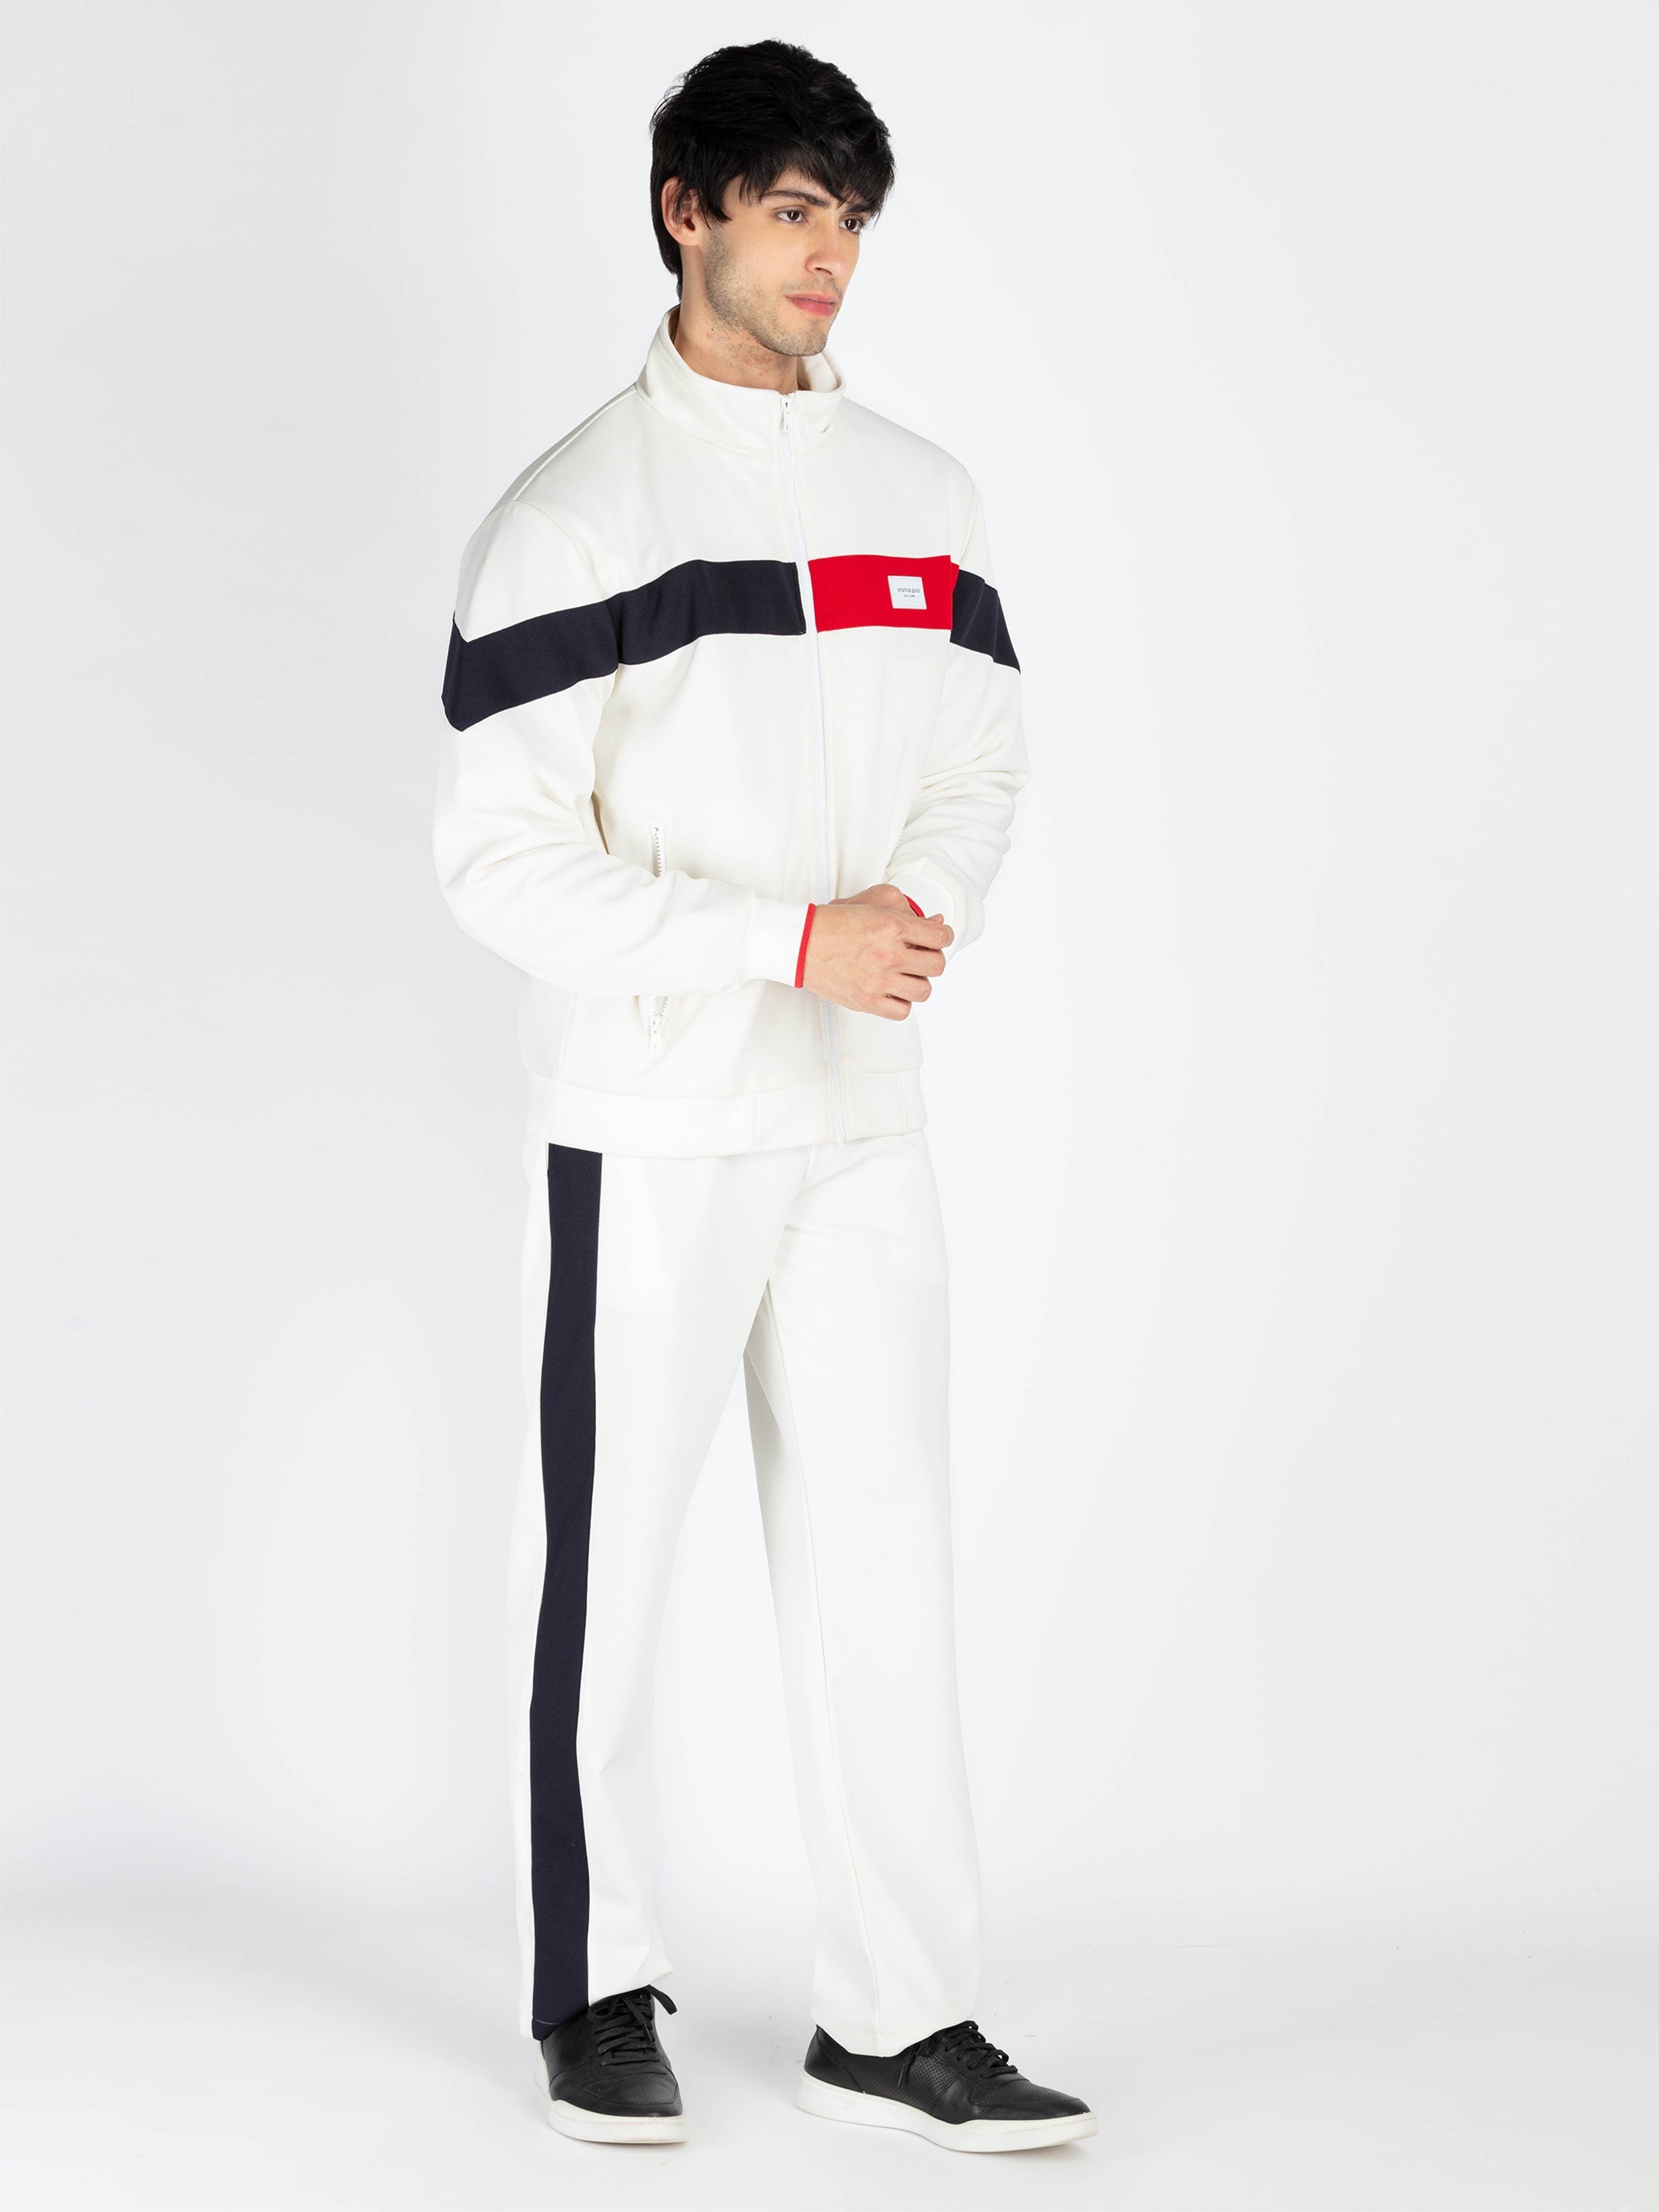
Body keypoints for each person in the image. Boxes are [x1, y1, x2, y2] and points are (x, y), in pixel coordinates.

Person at [434, 38, 1092, 2156]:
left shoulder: (924, 498)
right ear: (686, 212)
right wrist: (781, 941)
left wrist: (918, 910)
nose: (831, 255)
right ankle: (593, 1984)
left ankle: (899, 2016)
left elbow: (980, 760)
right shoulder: (574, 515)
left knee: (887, 1572)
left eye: (853, 217)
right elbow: (498, 863)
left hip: (860, 1124)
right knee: (607, 1576)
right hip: (650, 1123)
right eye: (793, 208)